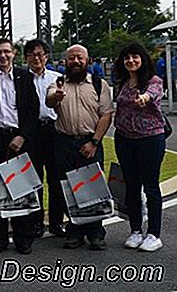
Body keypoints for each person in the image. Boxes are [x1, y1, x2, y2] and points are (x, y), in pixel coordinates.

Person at [0, 38, 39, 254]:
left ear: (14, 54)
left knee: (20, 188)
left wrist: (23, 136)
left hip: (18, 138)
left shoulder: (24, 76)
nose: (2, 56)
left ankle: (23, 237)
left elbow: (32, 110)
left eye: (6, 52)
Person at [46, 44, 114, 251]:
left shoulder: (98, 84)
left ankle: (96, 233)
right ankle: (74, 231)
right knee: (68, 187)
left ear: (88, 61)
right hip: (65, 142)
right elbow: (49, 101)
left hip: (90, 141)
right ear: (65, 62)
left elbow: (106, 115)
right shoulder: (58, 83)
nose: (75, 61)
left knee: (93, 189)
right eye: (71, 58)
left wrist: (94, 141)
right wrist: (55, 97)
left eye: (80, 58)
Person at [113, 43, 165, 252]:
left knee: (150, 185)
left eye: (135, 57)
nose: (131, 61)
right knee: (131, 186)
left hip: (150, 139)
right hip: (125, 139)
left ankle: (154, 234)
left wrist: (144, 98)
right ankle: (135, 230)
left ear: (142, 59)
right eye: (127, 58)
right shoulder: (122, 82)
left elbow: (151, 94)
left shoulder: (154, 81)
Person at [23, 39, 65, 238]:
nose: (36, 58)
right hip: (32, 132)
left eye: (40, 54)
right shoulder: (21, 79)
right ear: (26, 58)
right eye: (32, 54)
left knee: (56, 178)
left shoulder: (57, 78)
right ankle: (36, 222)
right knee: (34, 179)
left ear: (47, 56)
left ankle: (56, 222)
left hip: (53, 131)